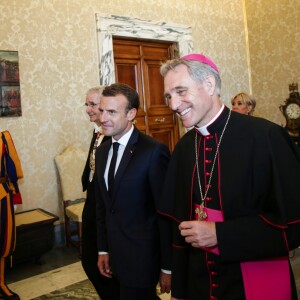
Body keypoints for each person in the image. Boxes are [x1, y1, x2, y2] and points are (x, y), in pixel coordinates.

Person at [159, 53, 300, 300]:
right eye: (168, 96)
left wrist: (221, 235)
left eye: (181, 91)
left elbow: (294, 226)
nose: (173, 105)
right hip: (200, 284)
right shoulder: (184, 147)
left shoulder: (267, 137)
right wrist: (179, 290)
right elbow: (178, 226)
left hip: (254, 280)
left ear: (210, 85)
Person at [94, 83, 171, 300]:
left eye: (111, 112)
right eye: (102, 110)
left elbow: (166, 214)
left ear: (131, 114)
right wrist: (103, 250)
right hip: (115, 257)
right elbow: (103, 207)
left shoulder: (153, 151)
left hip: (143, 258)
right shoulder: (102, 151)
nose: (103, 118)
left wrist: (168, 266)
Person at [81, 86, 112, 300]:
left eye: (93, 104)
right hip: (91, 204)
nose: (88, 109)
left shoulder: (114, 136)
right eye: (87, 104)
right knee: (89, 262)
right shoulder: (96, 131)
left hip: (106, 210)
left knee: (106, 267)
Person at [0, 131, 23, 300]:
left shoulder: (3, 138)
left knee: (2, 242)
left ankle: (0, 283)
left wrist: (15, 197)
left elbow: (13, 173)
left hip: (0, 196)